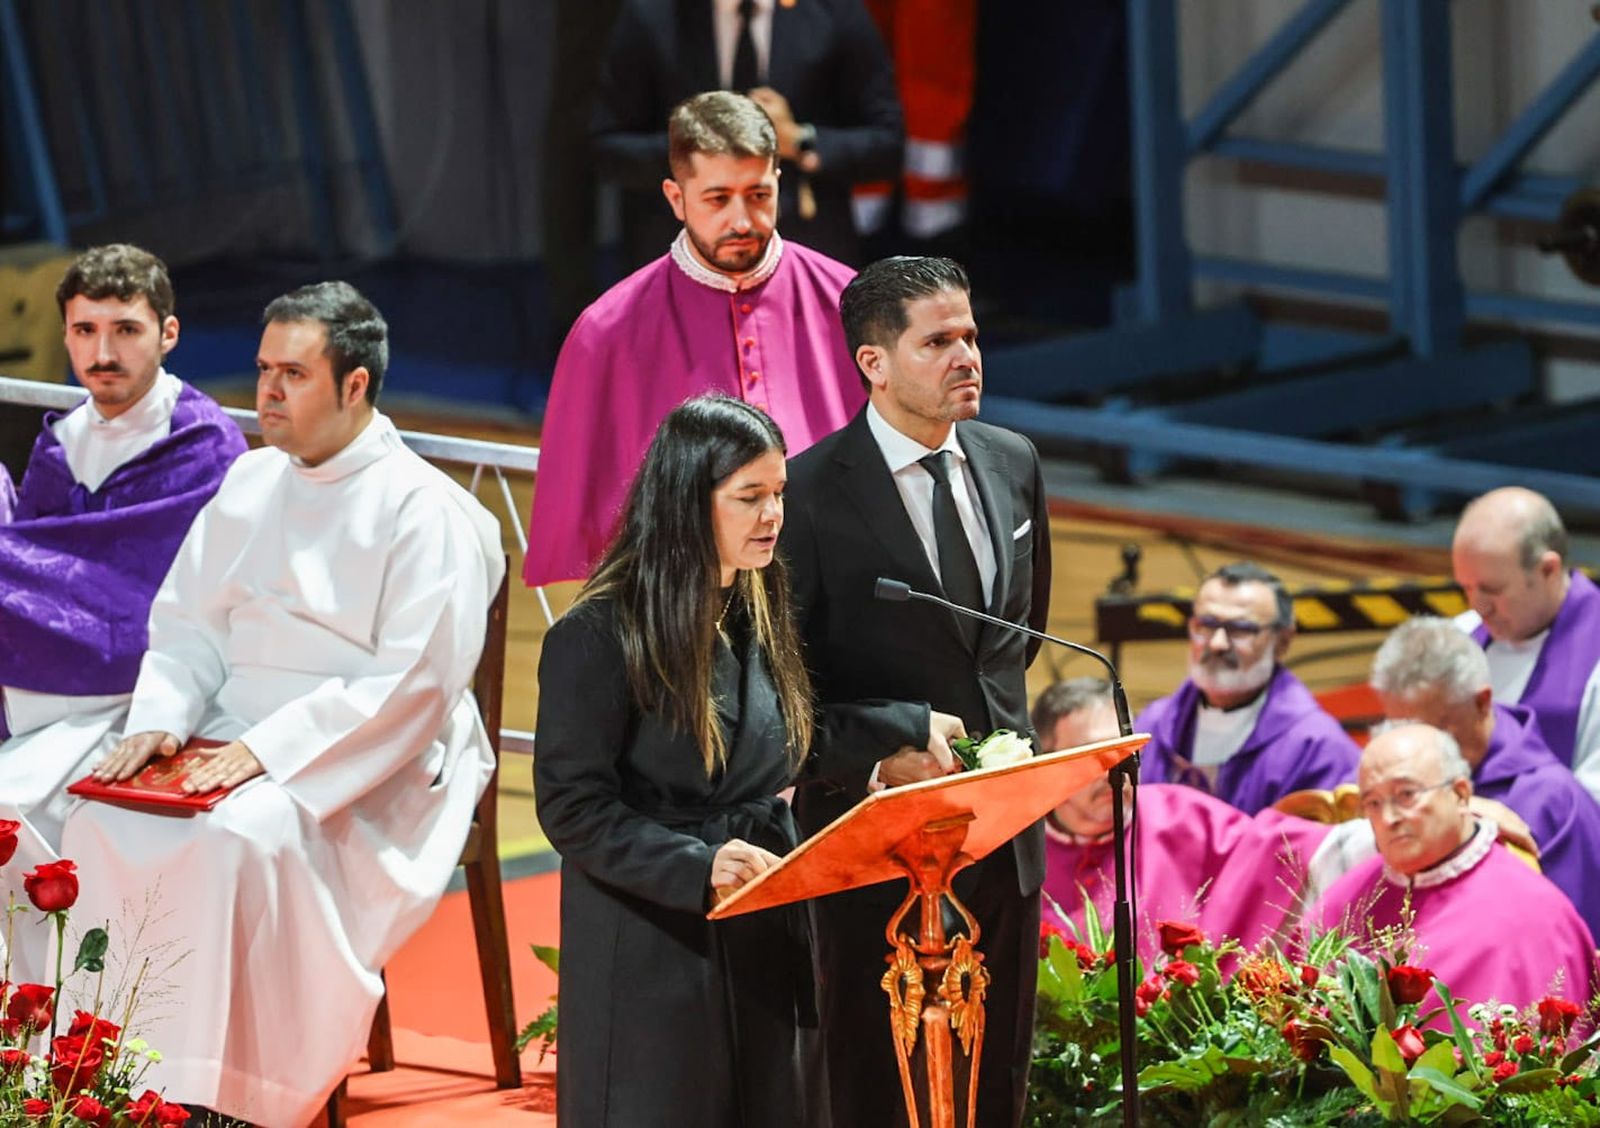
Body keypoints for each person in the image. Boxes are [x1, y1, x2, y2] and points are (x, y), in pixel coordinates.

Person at [59, 282, 504, 1126]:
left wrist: (271, 751)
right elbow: (186, 623)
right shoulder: (250, 483)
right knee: (99, 821)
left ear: (355, 385)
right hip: (230, 733)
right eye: (264, 370)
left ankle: (232, 1093)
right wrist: (162, 719)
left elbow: (414, 682)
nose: (265, 393)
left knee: (234, 836)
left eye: (292, 374)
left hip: (370, 755)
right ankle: (112, 1072)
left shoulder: (427, 509)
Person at [536, 394, 876, 1127]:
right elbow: (572, 807)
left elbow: (786, 739)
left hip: (760, 908)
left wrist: (900, 736)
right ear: (690, 500)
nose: (773, 515)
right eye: (749, 497)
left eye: (779, 493)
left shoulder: (757, 601)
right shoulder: (597, 635)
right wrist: (695, 866)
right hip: (654, 932)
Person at [782, 255, 1050, 1128]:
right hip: (873, 838)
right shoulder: (809, 495)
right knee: (871, 1072)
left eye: (970, 335)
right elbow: (777, 697)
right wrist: (878, 746)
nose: (967, 355)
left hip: (1003, 832)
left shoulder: (1014, 463)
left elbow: (1013, 644)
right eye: (938, 341)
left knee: (997, 1061)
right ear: (874, 362)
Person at [0, 244, 244, 982]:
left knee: (22, 812)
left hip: (158, 698)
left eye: (126, 331)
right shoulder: (57, 445)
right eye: (83, 331)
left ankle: (52, 1024)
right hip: (45, 692)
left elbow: (176, 600)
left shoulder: (205, 447)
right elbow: (37, 574)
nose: (102, 354)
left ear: (168, 333)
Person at [525, 91, 868, 586]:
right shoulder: (606, 333)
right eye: (717, 198)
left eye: (758, 194)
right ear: (675, 198)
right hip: (678, 610)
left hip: (829, 597)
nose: (742, 221)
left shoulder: (851, 304)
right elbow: (579, 547)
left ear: (778, 180)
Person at [1037, 678, 1355, 964]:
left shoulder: (1183, 817)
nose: (1115, 772)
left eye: (1124, 753)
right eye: (1093, 754)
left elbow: (1275, 849)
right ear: (1046, 762)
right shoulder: (1016, 848)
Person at [1312, 724, 1597, 1027]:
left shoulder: (1531, 911)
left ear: (1461, 794)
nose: (1389, 818)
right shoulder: (1346, 899)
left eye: (1406, 795)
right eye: (1373, 802)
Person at [592, 0, 902, 274]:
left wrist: (799, 141)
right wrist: (701, 150)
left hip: (809, 250)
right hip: (679, 258)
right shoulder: (652, 13)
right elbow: (604, 149)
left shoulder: (834, 9)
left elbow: (889, 144)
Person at [1370, 615, 1600, 936]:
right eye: (1399, 729)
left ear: (1482, 702)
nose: (1413, 750)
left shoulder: (1552, 801)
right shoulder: (1394, 776)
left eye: (1431, 730)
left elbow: (1572, 946)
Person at [1137, 561, 1360, 813]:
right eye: (1207, 625)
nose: (1218, 643)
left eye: (1240, 629)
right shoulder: (1152, 725)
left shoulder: (1317, 748)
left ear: (1282, 642)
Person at [1452, 487, 1600, 792]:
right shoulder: (1457, 639)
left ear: (1548, 570)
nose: (1478, 607)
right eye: (1466, 588)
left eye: (1492, 589)